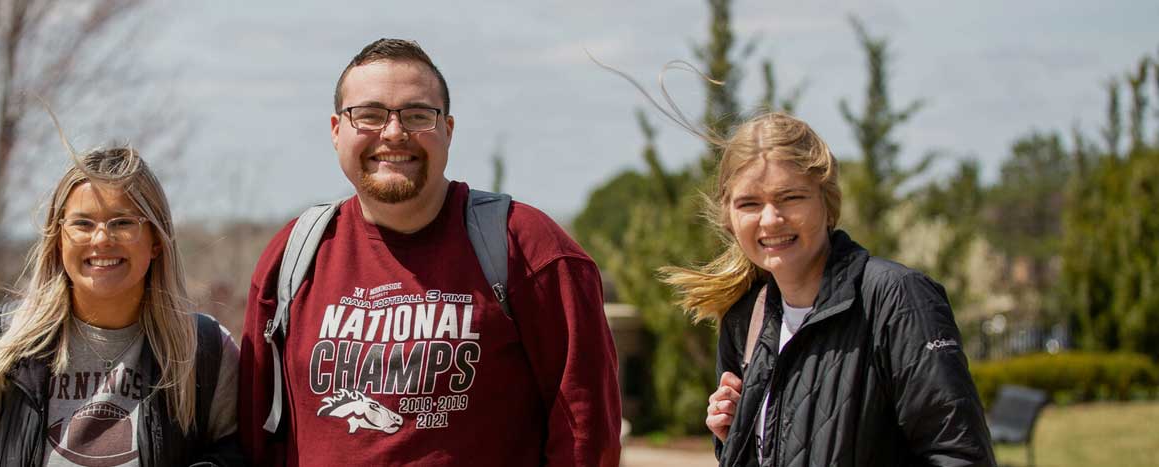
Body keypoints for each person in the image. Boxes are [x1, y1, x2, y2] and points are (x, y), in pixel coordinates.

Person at [237, 38, 622, 466]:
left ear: (448, 130)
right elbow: (257, 435)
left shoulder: (529, 249)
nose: (394, 132)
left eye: (418, 115)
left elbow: (586, 436)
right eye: (368, 114)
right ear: (336, 130)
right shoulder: (291, 256)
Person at [660, 112, 995, 466]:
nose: (771, 219)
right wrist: (738, 438)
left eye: (791, 198)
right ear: (729, 215)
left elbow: (960, 456)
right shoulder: (745, 320)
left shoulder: (897, 299)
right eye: (749, 204)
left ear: (827, 200)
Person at [0, 147, 243, 466]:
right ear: (58, 238)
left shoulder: (206, 353)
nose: (101, 239)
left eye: (122, 222)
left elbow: (240, 454)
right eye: (83, 224)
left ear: (156, 240)